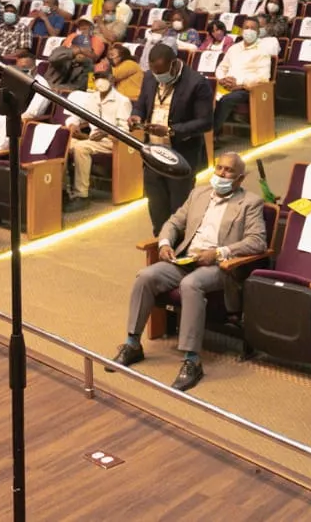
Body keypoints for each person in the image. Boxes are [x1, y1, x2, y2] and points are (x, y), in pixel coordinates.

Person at [112, 153, 266, 391]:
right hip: (186, 260)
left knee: (190, 285)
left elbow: (257, 242)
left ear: (240, 179)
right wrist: (164, 243)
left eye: (228, 172)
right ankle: (133, 344)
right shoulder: (199, 194)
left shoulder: (250, 202)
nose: (221, 175)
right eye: (219, 169)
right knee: (146, 276)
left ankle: (192, 361)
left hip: (221, 268)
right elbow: (174, 223)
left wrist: (217, 253)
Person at [130, 45, 215, 236]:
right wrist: (136, 116)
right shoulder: (150, 77)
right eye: (154, 72)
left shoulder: (197, 83)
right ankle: (161, 243)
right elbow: (141, 105)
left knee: (179, 209)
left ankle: (181, 249)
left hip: (181, 155)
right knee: (157, 206)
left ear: (174, 64)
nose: (158, 76)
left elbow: (205, 122)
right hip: (152, 153)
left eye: (162, 72)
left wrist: (170, 131)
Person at [64, 75, 134, 211]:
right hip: (93, 139)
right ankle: (62, 191)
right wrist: (73, 124)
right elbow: (75, 116)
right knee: (62, 143)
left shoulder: (122, 101)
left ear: (112, 80)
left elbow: (124, 131)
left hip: (112, 141)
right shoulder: (92, 98)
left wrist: (106, 132)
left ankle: (81, 195)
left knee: (80, 148)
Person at [211, 19, 274, 136]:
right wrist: (223, 79)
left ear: (258, 32)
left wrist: (239, 84)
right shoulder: (234, 48)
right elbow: (221, 68)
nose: (249, 31)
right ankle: (203, 133)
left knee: (226, 100)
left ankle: (210, 136)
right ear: (241, 31)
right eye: (246, 27)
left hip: (246, 89)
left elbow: (263, 77)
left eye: (253, 28)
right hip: (226, 85)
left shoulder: (263, 51)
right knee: (204, 95)